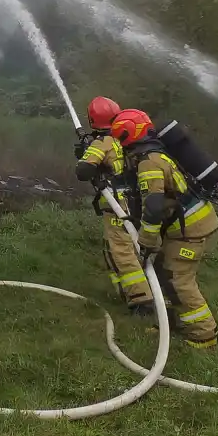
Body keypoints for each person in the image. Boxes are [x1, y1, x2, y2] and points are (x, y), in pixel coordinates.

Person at [110, 108, 218, 349]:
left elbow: (154, 206)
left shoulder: (149, 162)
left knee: (177, 279)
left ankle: (203, 335)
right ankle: (174, 321)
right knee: (161, 272)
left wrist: (147, 242)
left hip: (190, 230)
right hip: (183, 227)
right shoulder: (153, 153)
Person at [74, 96, 154, 316]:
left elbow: (83, 171)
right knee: (143, 247)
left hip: (120, 206)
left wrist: (85, 154)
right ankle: (157, 291)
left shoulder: (103, 143)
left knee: (122, 251)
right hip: (142, 202)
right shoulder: (130, 138)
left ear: (93, 120)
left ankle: (142, 301)